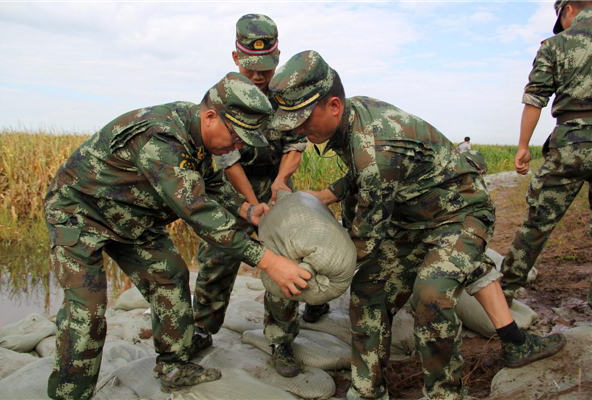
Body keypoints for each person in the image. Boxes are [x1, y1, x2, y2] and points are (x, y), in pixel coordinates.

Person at [268, 51, 566, 400]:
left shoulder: (376, 146)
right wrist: (326, 194)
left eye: (303, 119)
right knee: (368, 293)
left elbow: (363, 240)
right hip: (411, 218)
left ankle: (445, 393)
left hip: (459, 214)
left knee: (431, 294)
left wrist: (311, 271)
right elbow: (359, 176)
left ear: (333, 105)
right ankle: (367, 391)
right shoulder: (354, 117)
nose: (297, 130)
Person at [44, 72, 311, 400]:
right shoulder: (162, 138)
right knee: (86, 315)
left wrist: (246, 210)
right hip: (80, 215)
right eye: (236, 136)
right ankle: (70, 395)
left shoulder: (196, 132)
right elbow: (200, 213)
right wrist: (269, 262)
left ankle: (174, 366)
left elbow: (211, 184)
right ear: (211, 117)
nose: (238, 146)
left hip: (133, 219)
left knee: (169, 275)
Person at [192, 14, 330, 378]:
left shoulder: (287, 94)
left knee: (285, 261)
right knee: (217, 257)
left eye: (266, 68)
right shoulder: (220, 97)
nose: (259, 76)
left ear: (277, 57)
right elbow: (226, 159)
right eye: (251, 68)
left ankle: (281, 339)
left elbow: (296, 144)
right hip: (234, 189)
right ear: (236, 58)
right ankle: (203, 328)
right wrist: (252, 204)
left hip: (278, 185)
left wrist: (281, 184)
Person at [501, 0, 592, 309]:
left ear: (568, 9)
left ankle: (505, 293)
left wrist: (523, 146)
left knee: (538, 221)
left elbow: (535, 99)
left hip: (572, 145)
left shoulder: (556, 45)